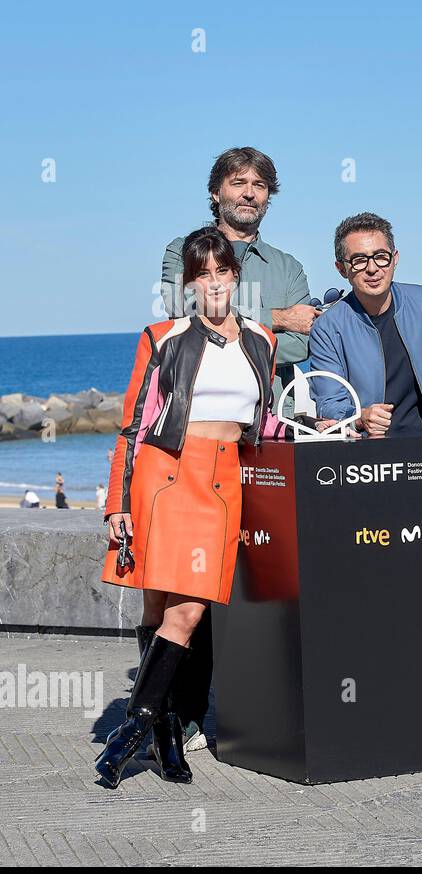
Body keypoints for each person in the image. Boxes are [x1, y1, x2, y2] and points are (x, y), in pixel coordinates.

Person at [97, 226, 284, 788]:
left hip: (224, 480)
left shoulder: (262, 339)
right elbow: (132, 424)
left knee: (189, 611)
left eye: (221, 271)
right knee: (160, 609)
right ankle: (164, 734)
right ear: (188, 284)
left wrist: (318, 428)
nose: (213, 283)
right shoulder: (163, 337)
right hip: (167, 475)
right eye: (201, 274)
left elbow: (263, 420)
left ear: (235, 275)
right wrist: (116, 502)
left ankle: (133, 726)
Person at [159, 147, 317, 753]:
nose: (248, 193)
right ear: (216, 192)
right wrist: (275, 320)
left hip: (266, 442)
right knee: (193, 584)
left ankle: (262, 709)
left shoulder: (289, 263)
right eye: (237, 183)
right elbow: (180, 312)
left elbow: (298, 351)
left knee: (264, 576)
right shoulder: (186, 251)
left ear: (269, 196)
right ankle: (186, 714)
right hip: (196, 449)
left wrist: (255, 329)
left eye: (259, 185)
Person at [309, 213, 422, 435]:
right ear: (342, 269)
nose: (372, 269)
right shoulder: (328, 328)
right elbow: (329, 402)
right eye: (359, 260)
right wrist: (359, 417)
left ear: (395, 258)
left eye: (381, 256)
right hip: (374, 456)